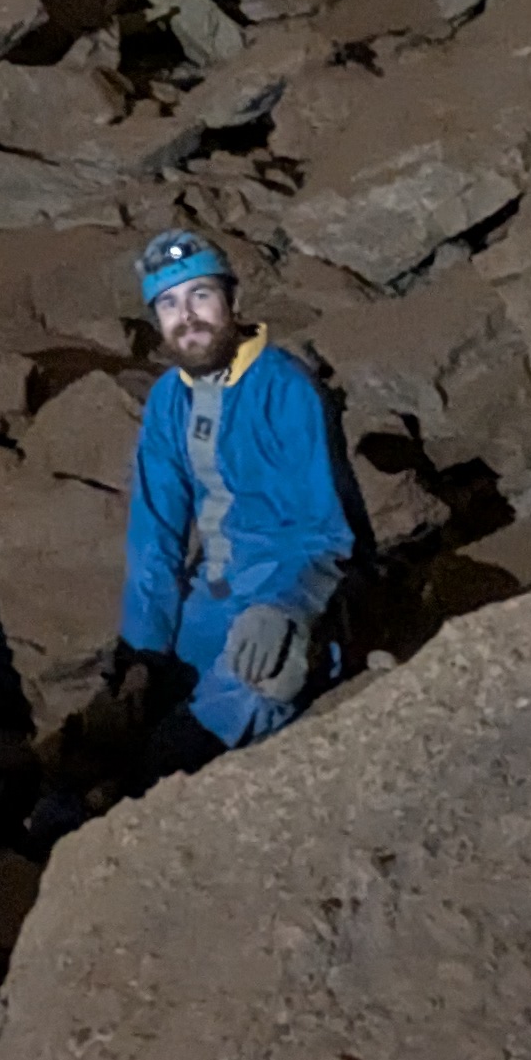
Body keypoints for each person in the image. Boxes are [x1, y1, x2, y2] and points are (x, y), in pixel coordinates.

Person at [117, 228, 353, 771]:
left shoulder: (285, 388)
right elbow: (155, 535)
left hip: (279, 588)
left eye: (201, 295)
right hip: (210, 599)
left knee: (262, 680)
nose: (188, 316)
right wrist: (142, 650)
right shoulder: (167, 400)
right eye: (170, 304)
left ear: (231, 299)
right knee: (133, 714)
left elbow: (323, 531)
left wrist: (286, 605)